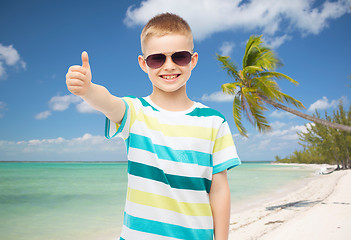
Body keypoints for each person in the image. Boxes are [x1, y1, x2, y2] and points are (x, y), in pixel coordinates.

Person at [66, 12, 240, 240]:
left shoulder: (214, 122)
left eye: (179, 57)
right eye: (157, 59)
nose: (169, 66)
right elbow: (108, 103)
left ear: (193, 60)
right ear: (143, 63)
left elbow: (219, 191)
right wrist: (88, 90)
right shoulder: (135, 113)